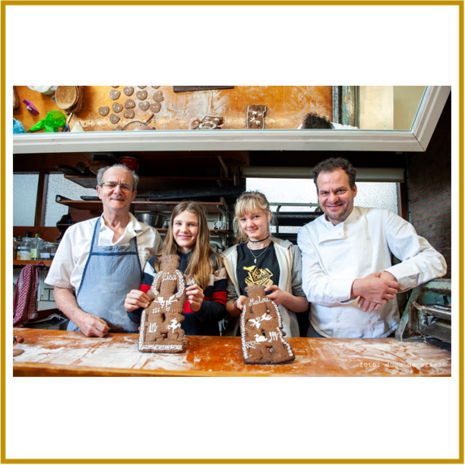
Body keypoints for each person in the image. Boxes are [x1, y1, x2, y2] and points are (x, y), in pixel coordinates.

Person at [297, 157, 447, 338]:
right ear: (318, 195)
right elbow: (312, 287)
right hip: (325, 334)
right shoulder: (308, 232)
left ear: (354, 190)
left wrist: (390, 276)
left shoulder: (382, 218)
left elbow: (435, 260)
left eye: (340, 190)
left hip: (379, 332)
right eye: (325, 193)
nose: (332, 199)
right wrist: (359, 287)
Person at [45, 164, 162, 337]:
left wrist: (153, 319)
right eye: (111, 185)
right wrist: (80, 319)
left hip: (135, 337)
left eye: (125, 186)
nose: (118, 191)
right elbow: (61, 288)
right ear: (99, 191)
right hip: (83, 334)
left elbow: (160, 287)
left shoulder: (151, 236)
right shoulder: (76, 233)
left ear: (133, 195)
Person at [124, 201, 227, 335]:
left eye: (191, 224)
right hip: (163, 338)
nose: (184, 229)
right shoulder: (154, 264)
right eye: (178, 223)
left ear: (201, 228)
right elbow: (141, 312)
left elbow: (221, 311)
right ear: (171, 226)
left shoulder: (215, 263)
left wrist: (201, 306)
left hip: (203, 340)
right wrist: (134, 307)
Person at [222, 191, 308, 337]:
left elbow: (304, 305)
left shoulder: (290, 252)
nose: (249, 224)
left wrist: (284, 297)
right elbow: (227, 308)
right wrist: (238, 304)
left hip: (281, 336)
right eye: (243, 219)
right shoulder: (229, 257)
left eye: (255, 217)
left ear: (268, 215)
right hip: (243, 338)